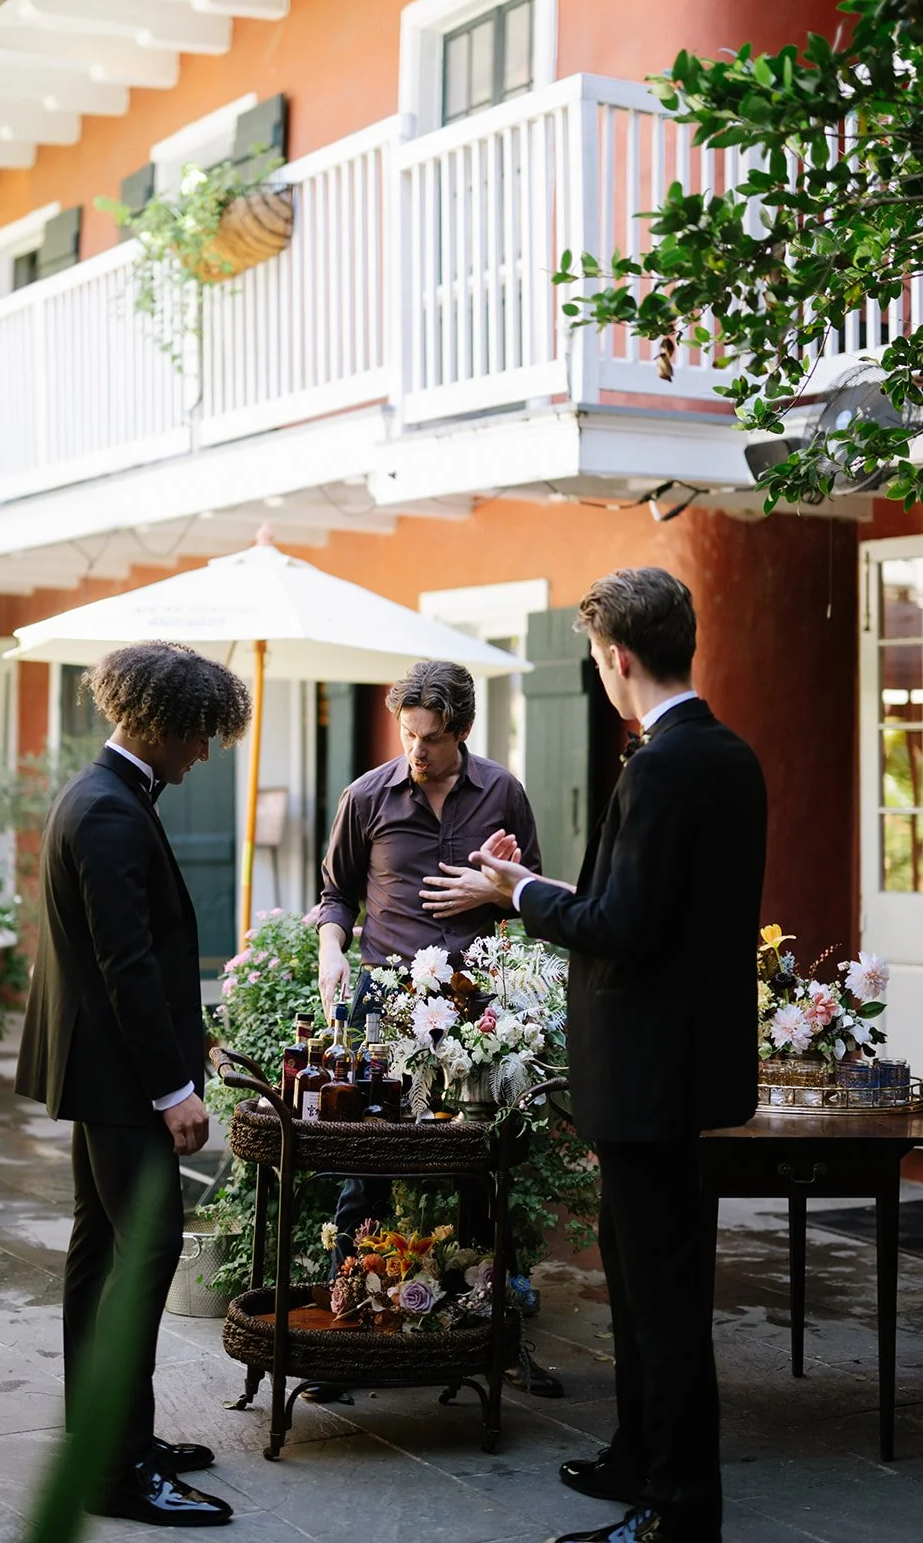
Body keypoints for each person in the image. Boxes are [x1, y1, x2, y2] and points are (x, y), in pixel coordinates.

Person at [472, 568, 767, 1543]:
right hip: (673, 1068)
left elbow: (622, 928)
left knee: (662, 1301)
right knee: (637, 1275)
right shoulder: (725, 754)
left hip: (645, 1074)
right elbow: (655, 912)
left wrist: (515, 896)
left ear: (616, 657)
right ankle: (637, 1456)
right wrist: (535, 880)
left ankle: (677, 1512)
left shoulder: (663, 766)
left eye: (596, 659)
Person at [15, 641, 251, 1528]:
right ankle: (119, 1472)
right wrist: (172, 1091)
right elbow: (126, 969)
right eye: (199, 738)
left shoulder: (96, 792)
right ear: (160, 723)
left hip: (99, 1073)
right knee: (142, 1258)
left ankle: (108, 1439)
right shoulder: (109, 811)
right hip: (122, 1082)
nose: (202, 757)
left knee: (98, 1253)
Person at [314, 658, 561, 1397]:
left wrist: (496, 887)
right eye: (406, 733)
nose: (415, 750)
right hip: (384, 1010)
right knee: (367, 1174)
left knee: (481, 1177)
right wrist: (330, 953)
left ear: (461, 730)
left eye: (429, 737)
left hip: (479, 1016)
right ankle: (345, 1344)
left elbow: (536, 896)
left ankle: (490, 1342)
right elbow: (336, 895)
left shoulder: (504, 793)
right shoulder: (365, 797)